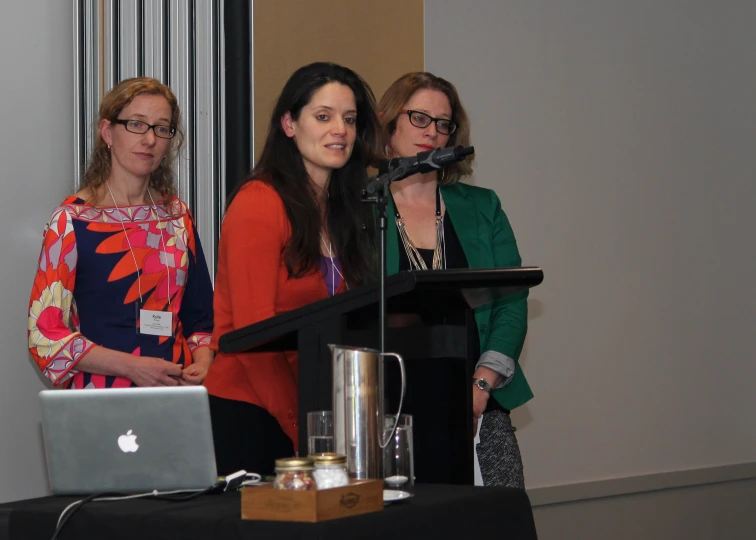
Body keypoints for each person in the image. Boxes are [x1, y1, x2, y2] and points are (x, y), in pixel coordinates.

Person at [204, 62, 380, 476]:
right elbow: (251, 335)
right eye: (324, 117)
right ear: (288, 123)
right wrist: (303, 429)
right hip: (252, 414)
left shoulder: (345, 211)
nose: (340, 130)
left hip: (316, 416)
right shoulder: (258, 202)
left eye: (349, 119)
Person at [376, 72, 531, 488]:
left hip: (476, 398)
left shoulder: (482, 206)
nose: (432, 133)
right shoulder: (360, 210)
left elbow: (512, 303)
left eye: (443, 124)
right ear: (389, 123)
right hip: (389, 404)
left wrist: (482, 385)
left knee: (496, 521)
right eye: (419, 118)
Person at [28, 77, 214, 390]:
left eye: (161, 127)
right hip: (100, 397)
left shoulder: (177, 216)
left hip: (175, 394)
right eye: (136, 124)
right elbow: (44, 334)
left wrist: (204, 360)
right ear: (107, 132)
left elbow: (202, 317)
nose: (150, 139)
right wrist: (131, 368)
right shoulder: (72, 221)